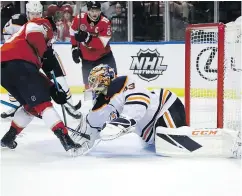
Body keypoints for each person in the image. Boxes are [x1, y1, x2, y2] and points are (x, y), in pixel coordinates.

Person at [71, 64, 241, 158]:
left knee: (170, 143)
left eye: (95, 81)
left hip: (165, 107)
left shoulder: (125, 82)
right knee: (158, 143)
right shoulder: (100, 104)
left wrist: (126, 119)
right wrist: (77, 142)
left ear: (104, 80)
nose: (91, 86)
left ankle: (229, 141)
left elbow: (140, 100)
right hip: (150, 127)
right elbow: (91, 127)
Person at [0, 16, 81, 153]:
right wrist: (46, 54)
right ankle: (67, 141)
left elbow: (35, 76)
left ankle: (8, 138)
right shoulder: (42, 22)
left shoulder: (28, 47)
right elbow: (34, 35)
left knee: (31, 106)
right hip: (19, 65)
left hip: (6, 70)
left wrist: (53, 89)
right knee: (43, 104)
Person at [1, 1, 82, 119]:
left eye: (38, 13)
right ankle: (14, 105)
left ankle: (69, 105)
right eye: (32, 14)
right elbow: (7, 37)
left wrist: (46, 53)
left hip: (45, 53)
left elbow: (50, 40)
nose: (35, 16)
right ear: (27, 13)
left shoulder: (45, 23)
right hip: (26, 56)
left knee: (60, 79)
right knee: (14, 75)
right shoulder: (16, 21)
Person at [70, 1, 117, 89]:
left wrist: (87, 38)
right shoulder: (79, 19)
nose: (95, 13)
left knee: (113, 83)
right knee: (88, 88)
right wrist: (74, 48)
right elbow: (72, 32)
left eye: (97, 11)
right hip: (87, 58)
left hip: (104, 57)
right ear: (88, 11)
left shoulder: (105, 22)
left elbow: (102, 43)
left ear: (100, 11)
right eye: (92, 11)